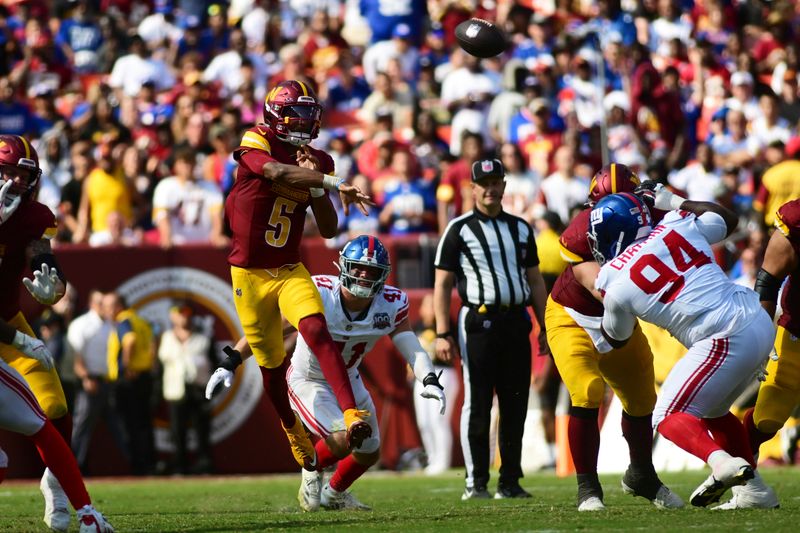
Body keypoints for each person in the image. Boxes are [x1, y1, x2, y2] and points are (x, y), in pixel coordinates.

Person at [207, 235, 446, 511]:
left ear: (384, 275)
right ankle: (311, 467)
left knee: (369, 451)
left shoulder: (390, 303)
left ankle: (334, 494)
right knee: (344, 439)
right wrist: (233, 359)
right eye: (358, 268)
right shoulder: (319, 293)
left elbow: (411, 346)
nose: (364, 277)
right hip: (309, 379)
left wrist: (428, 377)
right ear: (343, 266)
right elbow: (267, 332)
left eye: (371, 272)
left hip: (349, 378)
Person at [588, 186, 777, 509]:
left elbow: (617, 336)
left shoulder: (613, 280)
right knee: (715, 411)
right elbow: (727, 220)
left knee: (669, 415)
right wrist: (677, 201)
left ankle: (721, 464)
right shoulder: (676, 223)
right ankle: (754, 492)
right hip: (757, 319)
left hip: (724, 335)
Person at [219, 79, 374, 471]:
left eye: (309, 115)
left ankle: (352, 413)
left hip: (289, 267)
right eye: (296, 114)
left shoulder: (319, 160)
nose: (304, 122)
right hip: (249, 275)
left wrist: (322, 189)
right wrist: (329, 183)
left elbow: (327, 230)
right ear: (276, 113)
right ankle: (291, 427)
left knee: (316, 329)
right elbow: (274, 171)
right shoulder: (257, 140)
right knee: (271, 370)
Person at [544, 164, 681, 512]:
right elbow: (604, 290)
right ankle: (588, 489)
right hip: (574, 317)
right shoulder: (579, 232)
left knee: (641, 397)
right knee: (588, 390)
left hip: (621, 318)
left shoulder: (654, 211)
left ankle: (642, 475)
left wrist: (676, 201)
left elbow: (702, 224)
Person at [433, 158, 549, 500]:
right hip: (479, 322)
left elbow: (535, 282)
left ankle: (510, 481)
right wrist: (442, 332)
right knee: (479, 401)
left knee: (516, 403)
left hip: (517, 321)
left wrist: (545, 326)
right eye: (483, 183)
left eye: (496, 181)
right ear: (472, 188)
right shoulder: (458, 229)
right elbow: (442, 284)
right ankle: (477, 482)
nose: (490, 188)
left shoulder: (521, 228)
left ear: (504, 185)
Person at [0, 134, 75, 531]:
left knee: (57, 409)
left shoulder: (33, 216)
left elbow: (42, 258)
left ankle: (56, 481)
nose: (14, 182)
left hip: (7, 324)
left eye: (20, 174)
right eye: (6, 173)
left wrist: (55, 288)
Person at [0, 319, 114, 533]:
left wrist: (58, 286)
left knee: (52, 408)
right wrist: (21, 340)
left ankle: (60, 486)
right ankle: (87, 514)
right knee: (39, 427)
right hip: (10, 339)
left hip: (11, 335)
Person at [740, 197, 800, 508]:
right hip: (798, 332)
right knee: (767, 415)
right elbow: (767, 282)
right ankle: (744, 487)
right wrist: (760, 338)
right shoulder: (797, 218)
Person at [69, 290, 127, 474]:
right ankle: (73, 469)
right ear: (93, 304)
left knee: (119, 426)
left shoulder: (112, 324)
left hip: (110, 383)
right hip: (90, 383)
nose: (108, 308)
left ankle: (134, 467)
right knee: (82, 427)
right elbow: (75, 356)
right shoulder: (81, 325)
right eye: (103, 304)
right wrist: (86, 377)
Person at [103, 292, 155, 476]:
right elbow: (152, 343)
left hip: (129, 380)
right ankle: (149, 464)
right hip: (145, 376)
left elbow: (130, 340)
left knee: (130, 425)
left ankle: (139, 466)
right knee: (144, 423)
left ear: (118, 307)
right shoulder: (140, 320)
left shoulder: (124, 321)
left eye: (109, 306)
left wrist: (126, 366)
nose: (106, 311)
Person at [158, 303, 213, 475]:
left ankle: (204, 465)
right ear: (172, 316)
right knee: (177, 430)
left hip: (198, 389)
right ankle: (180, 466)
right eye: (178, 313)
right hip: (175, 390)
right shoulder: (166, 337)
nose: (183, 317)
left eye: (186, 313)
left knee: (202, 429)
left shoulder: (203, 338)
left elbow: (214, 363)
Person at [413, 292, 459, 475]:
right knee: (424, 421)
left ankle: (443, 461)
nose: (430, 308)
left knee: (438, 419)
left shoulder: (447, 326)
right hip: (423, 377)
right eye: (427, 305)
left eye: (434, 304)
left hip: (443, 373)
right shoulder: (417, 327)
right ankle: (432, 459)